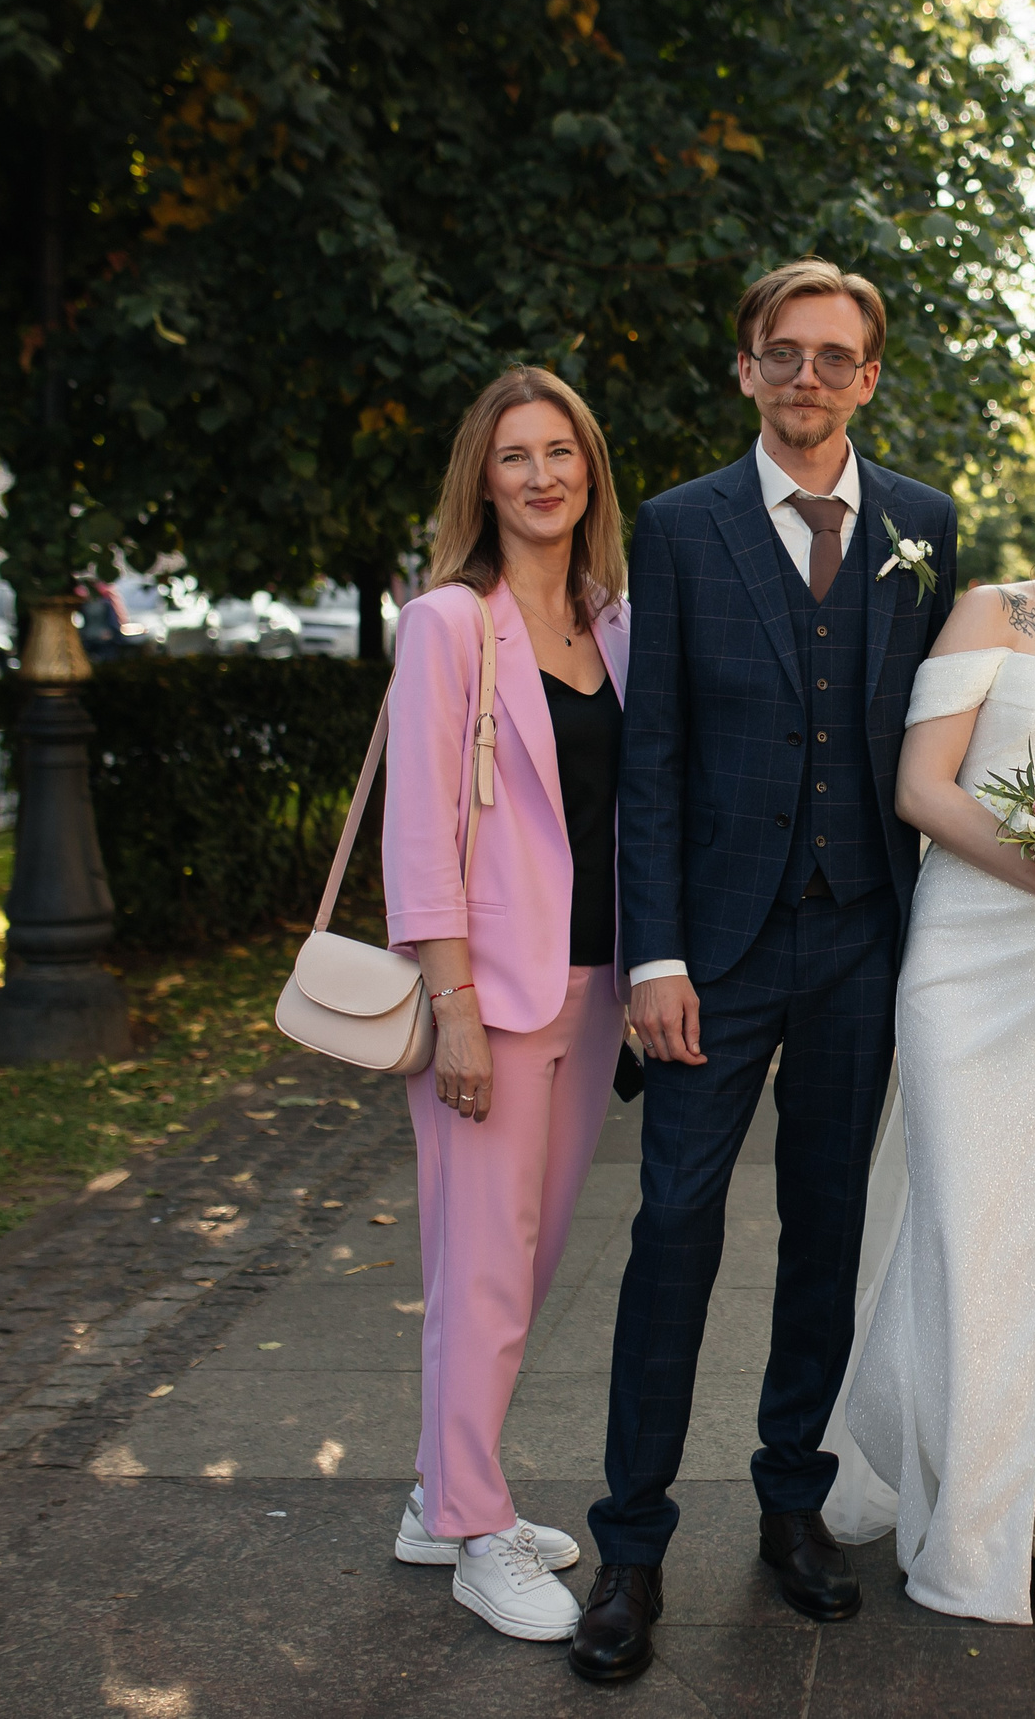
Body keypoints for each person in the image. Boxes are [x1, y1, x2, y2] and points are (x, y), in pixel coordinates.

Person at [574, 258, 961, 1683]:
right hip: (713, 954)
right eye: (783, 354)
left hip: (861, 931)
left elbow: (949, 726)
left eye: (836, 356)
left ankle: (792, 1501)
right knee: (674, 1224)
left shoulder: (924, 524)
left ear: (870, 375)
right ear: (746, 369)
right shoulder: (678, 529)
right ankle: (629, 1540)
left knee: (825, 1224)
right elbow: (652, 755)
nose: (810, 377)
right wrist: (654, 954)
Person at [820, 410, 1035, 1622]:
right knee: (974, 1230)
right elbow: (922, 786)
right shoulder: (988, 612)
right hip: (972, 960)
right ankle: (965, 1500)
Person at [381, 365, 633, 1643]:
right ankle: (479, 1530)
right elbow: (419, 827)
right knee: (481, 1267)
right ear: (483, 479)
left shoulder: (613, 620)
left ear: (589, 468)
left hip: (590, 986)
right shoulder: (447, 623)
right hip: (492, 992)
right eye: (515, 456)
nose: (542, 475)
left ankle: (441, 1491)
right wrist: (455, 1002)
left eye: (561, 452)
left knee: (518, 1263)